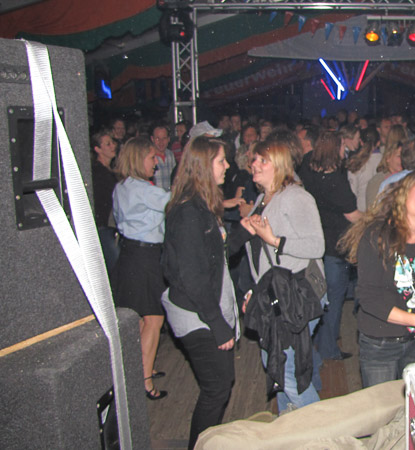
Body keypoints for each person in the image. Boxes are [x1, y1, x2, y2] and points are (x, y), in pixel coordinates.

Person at [338, 170, 415, 387]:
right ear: (403, 194)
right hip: (381, 343)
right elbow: (369, 299)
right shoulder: (377, 235)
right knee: (382, 406)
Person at [161, 136, 239, 450]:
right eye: (221, 160)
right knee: (217, 388)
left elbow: (216, 254)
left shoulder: (202, 203)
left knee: (220, 384)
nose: (227, 166)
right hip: (196, 315)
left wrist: (245, 232)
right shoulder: (188, 212)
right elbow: (192, 278)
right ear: (205, 165)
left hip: (204, 309)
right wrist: (217, 324)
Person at [235, 138, 325, 413]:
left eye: (263, 160)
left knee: (284, 369)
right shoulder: (264, 198)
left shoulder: (296, 197)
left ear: (280, 165)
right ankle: (292, 427)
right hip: (276, 295)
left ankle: (323, 429)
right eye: (255, 159)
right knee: (278, 364)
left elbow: (317, 246)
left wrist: (275, 240)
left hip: (298, 295)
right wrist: (254, 291)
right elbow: (261, 259)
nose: (254, 164)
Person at [110, 137, 171, 400]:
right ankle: (145, 381)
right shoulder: (143, 190)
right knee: (154, 318)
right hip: (145, 257)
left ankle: (141, 369)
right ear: (138, 159)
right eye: (151, 157)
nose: (155, 163)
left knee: (139, 319)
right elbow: (174, 202)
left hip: (129, 255)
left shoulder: (121, 187)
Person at [298, 131, 362, 360]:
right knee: (334, 298)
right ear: (335, 149)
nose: (345, 150)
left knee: (319, 294)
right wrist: (374, 218)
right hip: (336, 245)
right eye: (342, 146)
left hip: (315, 240)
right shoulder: (336, 181)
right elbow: (352, 215)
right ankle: (328, 349)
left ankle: (318, 340)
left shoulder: (307, 166)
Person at [91, 128, 120, 270]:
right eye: (108, 144)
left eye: (112, 142)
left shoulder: (111, 170)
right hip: (103, 226)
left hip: (110, 226)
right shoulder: (98, 172)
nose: (113, 146)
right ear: (98, 149)